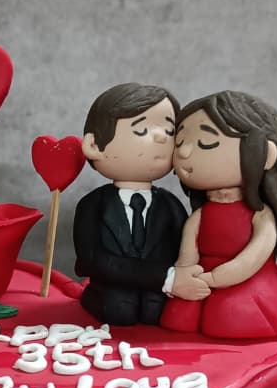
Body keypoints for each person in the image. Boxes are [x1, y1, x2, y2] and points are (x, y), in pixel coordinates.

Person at [159, 90, 277, 340]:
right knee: (178, 318)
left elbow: (251, 258)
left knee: (229, 317)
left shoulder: (261, 216)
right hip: (201, 280)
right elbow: (187, 253)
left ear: (266, 155)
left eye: (206, 142)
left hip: (243, 282)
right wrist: (186, 274)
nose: (183, 152)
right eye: (180, 141)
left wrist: (218, 277)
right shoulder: (199, 216)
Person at [73, 83, 204, 326]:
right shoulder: (92, 206)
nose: (161, 137)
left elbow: (186, 248)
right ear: (93, 146)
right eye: (142, 129)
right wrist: (167, 278)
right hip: (110, 296)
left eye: (169, 130)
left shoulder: (171, 205)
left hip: (160, 300)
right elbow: (91, 260)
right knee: (120, 311)